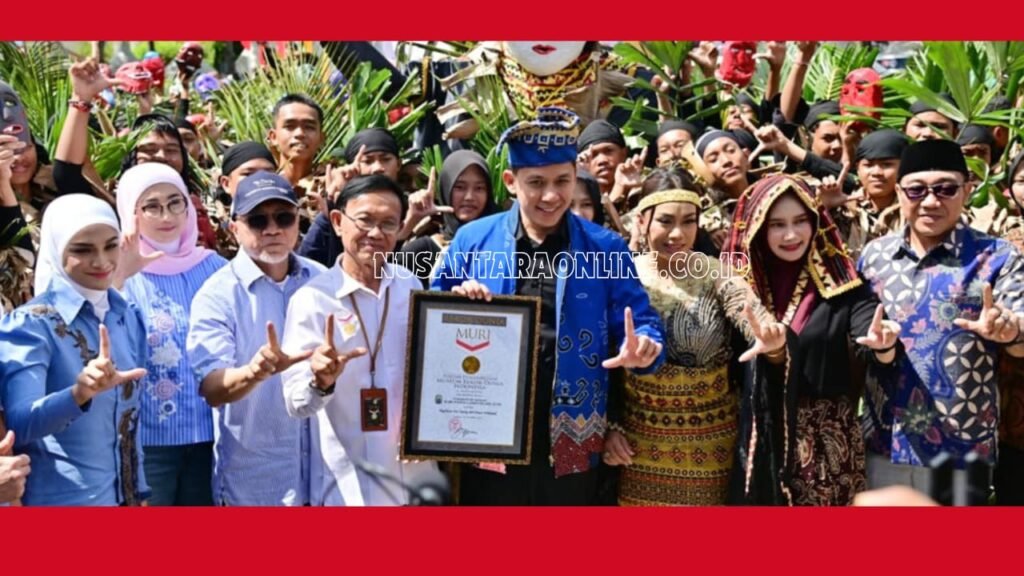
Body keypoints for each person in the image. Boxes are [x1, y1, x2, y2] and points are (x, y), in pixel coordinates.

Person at [432, 107, 666, 505]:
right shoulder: (473, 240)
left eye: (562, 181)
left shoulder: (605, 247)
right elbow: (433, 321)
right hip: (488, 425)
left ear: (576, 176)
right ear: (511, 182)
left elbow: (642, 322)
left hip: (574, 430)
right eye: (536, 183)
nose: (551, 196)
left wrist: (644, 347)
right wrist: (458, 303)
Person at [603, 167, 788, 505]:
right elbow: (598, 362)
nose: (678, 233)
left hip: (711, 446)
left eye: (689, 221)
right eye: (665, 221)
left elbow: (752, 316)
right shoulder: (622, 275)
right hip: (636, 445)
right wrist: (610, 426)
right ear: (642, 221)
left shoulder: (715, 273)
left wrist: (772, 342)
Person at [724, 174, 901, 505]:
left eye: (800, 221)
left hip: (823, 446)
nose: (791, 235)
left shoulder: (843, 286)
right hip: (748, 436)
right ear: (757, 228)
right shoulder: (735, 288)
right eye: (777, 225)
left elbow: (872, 340)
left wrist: (884, 346)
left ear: (816, 222)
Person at [858, 139, 1024, 492]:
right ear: (899, 193)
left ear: (967, 190)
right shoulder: (874, 257)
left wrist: (1009, 330)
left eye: (946, 189)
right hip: (885, 441)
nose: (931, 201)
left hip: (962, 447)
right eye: (917, 190)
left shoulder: (997, 257)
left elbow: (1020, 333)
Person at [281, 174, 437, 505]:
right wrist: (320, 382)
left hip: (414, 480)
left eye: (388, 223)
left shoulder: (411, 286)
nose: (376, 234)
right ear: (338, 222)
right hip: (347, 487)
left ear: (401, 228)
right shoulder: (312, 300)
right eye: (365, 220)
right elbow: (296, 404)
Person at [188, 171, 327, 506]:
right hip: (257, 487)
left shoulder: (324, 281)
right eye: (257, 220)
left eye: (283, 217)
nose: (272, 229)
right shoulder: (217, 294)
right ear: (234, 227)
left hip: (324, 479)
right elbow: (211, 387)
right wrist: (255, 372)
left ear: (298, 220)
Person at [0, 194, 149, 505]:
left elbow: (131, 424)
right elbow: (20, 423)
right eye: (82, 250)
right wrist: (78, 394)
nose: (101, 261)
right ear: (56, 250)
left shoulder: (126, 315)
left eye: (111, 245)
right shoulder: (31, 324)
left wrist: (140, 491)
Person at [115, 163, 227, 506]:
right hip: (149, 439)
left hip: (213, 434)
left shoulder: (216, 269)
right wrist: (117, 279)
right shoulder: (121, 271)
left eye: (175, 202)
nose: (166, 216)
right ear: (131, 212)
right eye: (151, 206)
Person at [298, 128, 401, 267]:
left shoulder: (416, 206)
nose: (377, 168)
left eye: (385, 159)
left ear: (398, 164)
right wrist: (332, 207)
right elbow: (305, 266)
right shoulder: (334, 208)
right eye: (368, 161)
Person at [396, 150, 497, 287]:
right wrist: (409, 223)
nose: (469, 197)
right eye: (460, 187)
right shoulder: (423, 251)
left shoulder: (503, 247)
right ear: (446, 189)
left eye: (479, 188)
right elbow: (380, 277)